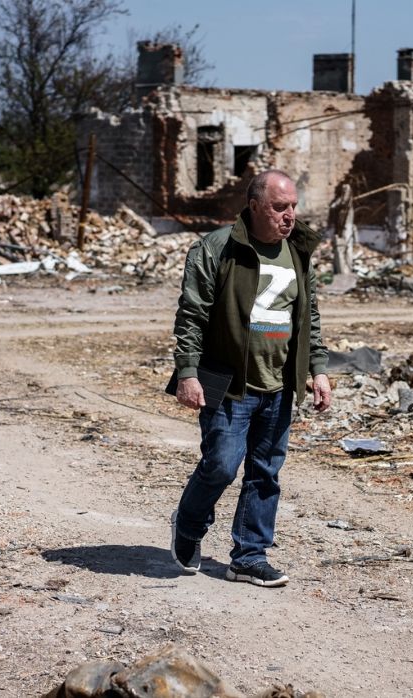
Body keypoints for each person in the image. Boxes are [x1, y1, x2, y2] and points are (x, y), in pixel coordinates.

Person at [169, 169, 332, 587]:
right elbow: (192, 315)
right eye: (280, 207)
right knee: (221, 466)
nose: (290, 215)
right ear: (255, 206)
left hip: (279, 385)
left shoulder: (298, 251)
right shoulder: (217, 248)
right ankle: (189, 523)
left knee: (265, 473)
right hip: (227, 382)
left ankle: (249, 556)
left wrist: (317, 369)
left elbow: (309, 317)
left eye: (293, 206)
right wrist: (187, 372)